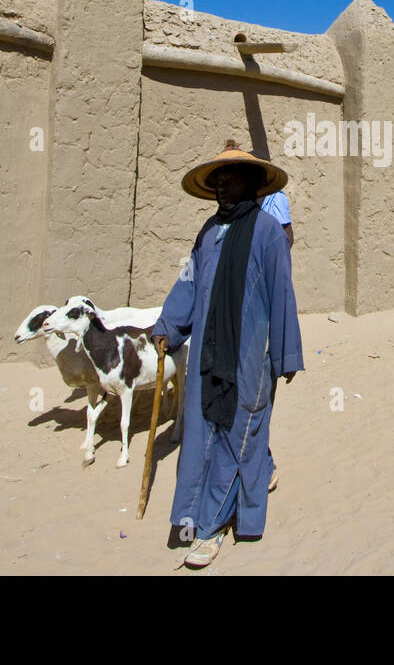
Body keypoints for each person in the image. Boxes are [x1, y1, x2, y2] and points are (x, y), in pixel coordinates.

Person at [152, 140, 303, 569]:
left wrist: (285, 355)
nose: (220, 185)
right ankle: (191, 517)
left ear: (252, 182)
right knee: (201, 433)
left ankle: (211, 527)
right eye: (216, 178)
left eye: (228, 177)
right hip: (206, 351)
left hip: (249, 355)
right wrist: (168, 325)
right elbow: (188, 282)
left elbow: (281, 294)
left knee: (239, 437)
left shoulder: (268, 233)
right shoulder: (207, 232)